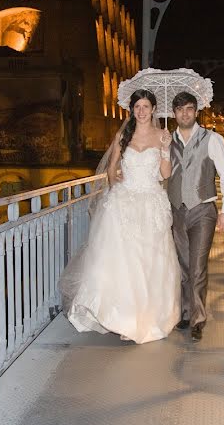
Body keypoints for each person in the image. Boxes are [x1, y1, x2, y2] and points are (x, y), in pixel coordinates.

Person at [60, 89, 181, 344]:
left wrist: (166, 149)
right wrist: (117, 182)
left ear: (153, 110)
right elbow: (111, 169)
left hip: (150, 203)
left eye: (146, 106)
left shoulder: (162, 136)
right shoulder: (122, 136)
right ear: (132, 110)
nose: (141, 111)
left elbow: (166, 173)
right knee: (122, 263)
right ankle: (123, 317)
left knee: (149, 263)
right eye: (137, 106)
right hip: (123, 203)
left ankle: (147, 318)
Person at [167, 92, 224, 341]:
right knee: (183, 266)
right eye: (179, 109)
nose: (184, 113)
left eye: (189, 109)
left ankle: (197, 319)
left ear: (196, 112)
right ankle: (185, 313)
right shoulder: (166, 141)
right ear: (173, 113)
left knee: (197, 267)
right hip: (176, 211)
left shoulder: (213, 139)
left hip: (203, 211)